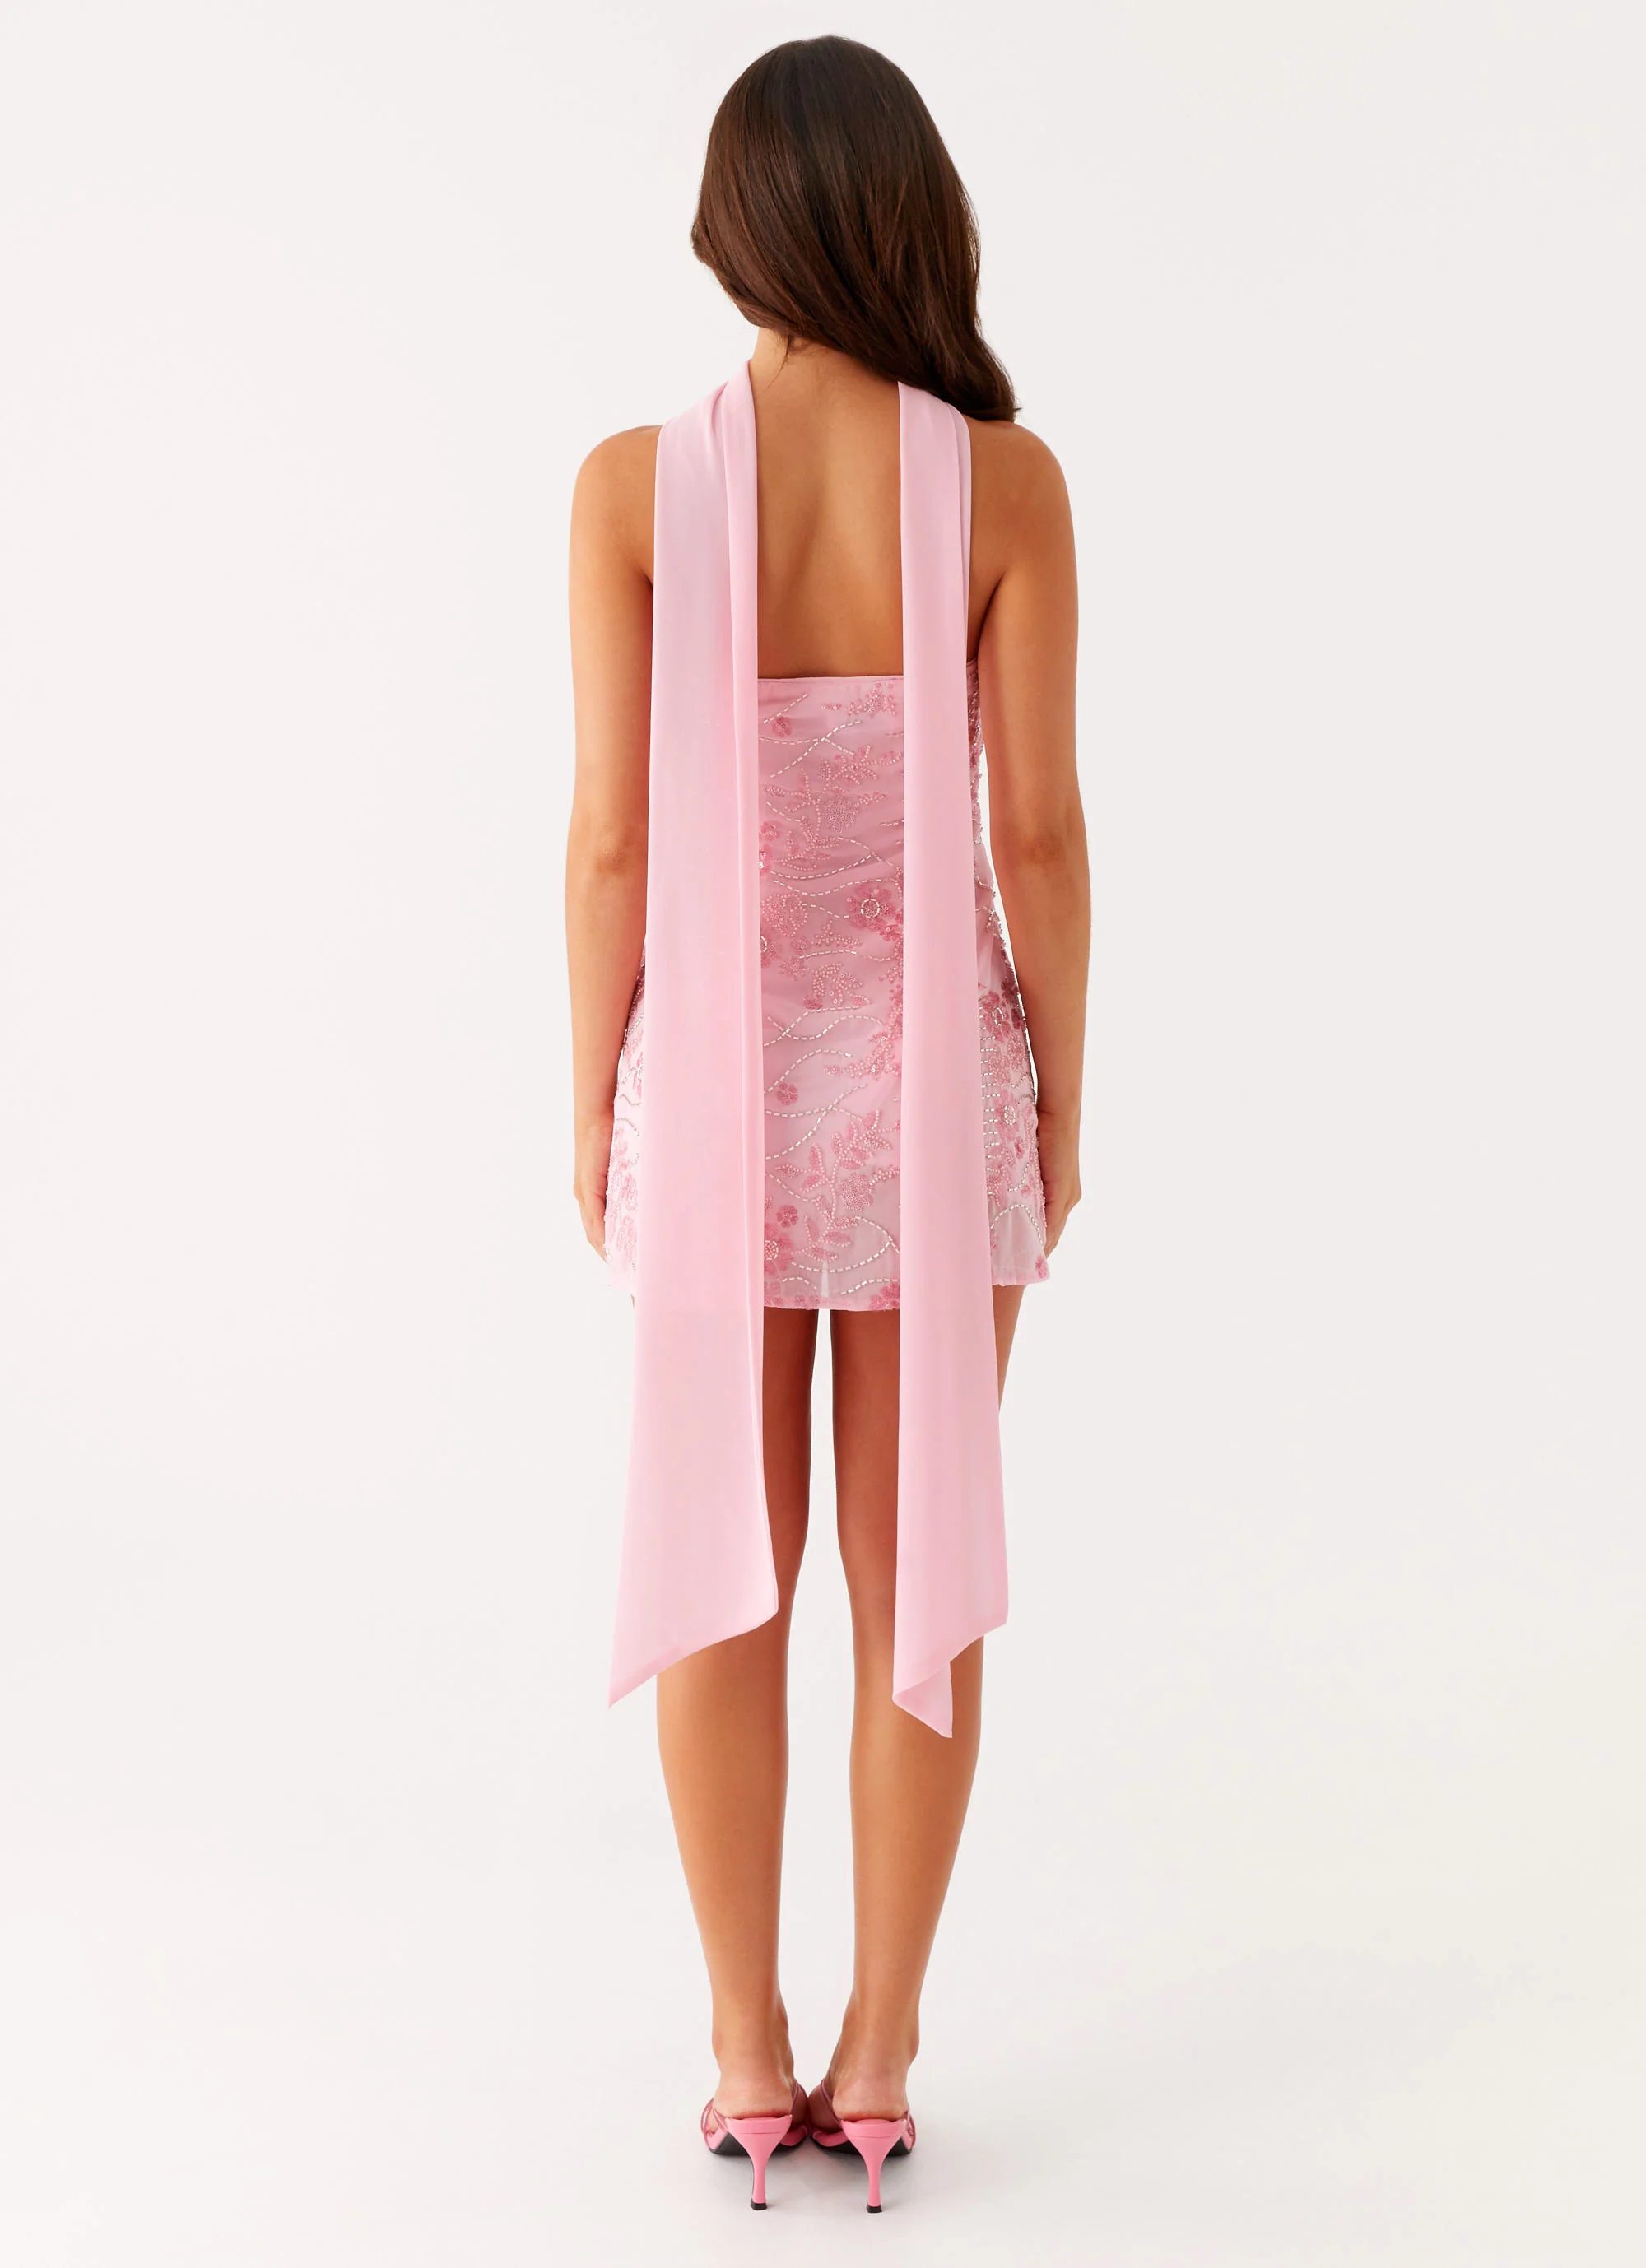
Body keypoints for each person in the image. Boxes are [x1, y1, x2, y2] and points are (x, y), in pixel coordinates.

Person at [565, 35, 1088, 2214]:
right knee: (914, 1574)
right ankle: (878, 2051)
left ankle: (743, 2044)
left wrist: (587, 1092)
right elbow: (1037, 834)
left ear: (735, 225)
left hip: (714, 1102)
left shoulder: (634, 487)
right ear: (910, 215)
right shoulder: (1003, 484)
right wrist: (1064, 1098)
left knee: (725, 1558)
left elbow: (611, 841)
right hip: (932, 1097)